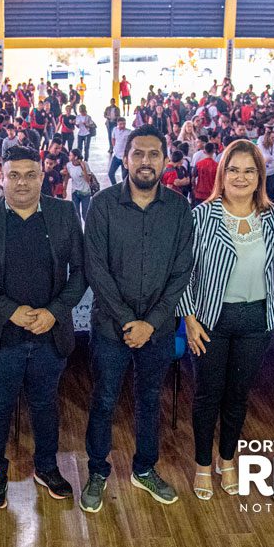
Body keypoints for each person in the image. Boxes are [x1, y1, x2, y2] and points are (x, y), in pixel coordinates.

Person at [0, 145, 87, 509]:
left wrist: (55, 312)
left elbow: (80, 273)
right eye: (14, 175)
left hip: (49, 334)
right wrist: (11, 311)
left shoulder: (63, 214)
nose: (22, 183)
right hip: (2, 336)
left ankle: (46, 467)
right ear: (1, 177)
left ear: (43, 177)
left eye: (30, 175)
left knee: (46, 405)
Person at [80, 124, 194, 513]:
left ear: (165, 159)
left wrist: (151, 322)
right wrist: (130, 321)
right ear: (125, 159)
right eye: (138, 154)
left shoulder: (179, 209)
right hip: (111, 329)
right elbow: (95, 269)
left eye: (153, 154)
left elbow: (182, 271)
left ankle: (144, 469)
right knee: (104, 399)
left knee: (149, 401)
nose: (146, 161)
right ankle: (97, 471)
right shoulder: (103, 205)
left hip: (158, 330)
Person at [179, 140, 274, 500]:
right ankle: (202, 465)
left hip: (256, 321)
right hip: (211, 320)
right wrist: (189, 319)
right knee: (208, 395)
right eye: (233, 169)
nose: (240, 177)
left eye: (249, 170)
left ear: (260, 176)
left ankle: (227, 458)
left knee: (238, 396)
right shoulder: (201, 215)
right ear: (221, 174)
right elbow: (183, 273)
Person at [65, 148, 94, 224]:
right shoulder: (68, 165)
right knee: (77, 214)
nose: (69, 156)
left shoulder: (85, 164)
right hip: (75, 192)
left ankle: (89, 231)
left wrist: (83, 168)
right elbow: (67, 177)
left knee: (85, 215)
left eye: (70, 155)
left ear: (76, 157)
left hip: (85, 193)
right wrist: (64, 189)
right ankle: (80, 232)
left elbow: (88, 180)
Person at [108, 117, 130, 185]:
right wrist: (115, 147)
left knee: (124, 177)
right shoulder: (114, 130)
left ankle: (125, 189)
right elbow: (113, 138)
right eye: (121, 124)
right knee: (110, 174)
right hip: (116, 156)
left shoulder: (129, 132)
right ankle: (115, 186)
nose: (122, 126)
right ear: (117, 124)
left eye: (124, 124)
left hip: (125, 158)